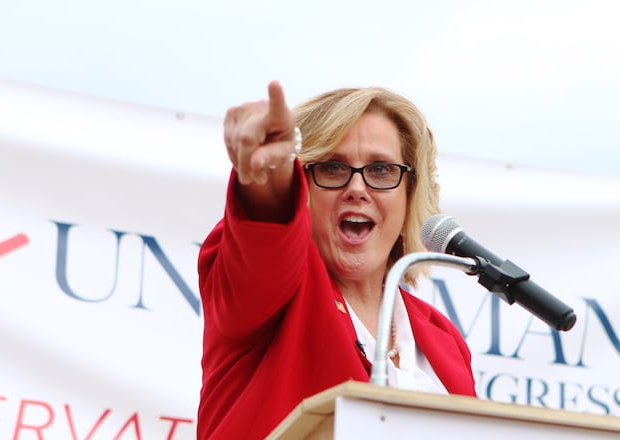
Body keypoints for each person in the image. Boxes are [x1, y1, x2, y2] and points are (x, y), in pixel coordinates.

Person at [197, 81, 476, 439]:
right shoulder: (274, 294)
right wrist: (269, 174)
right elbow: (264, 230)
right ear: (302, 185)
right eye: (331, 168)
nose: (357, 189)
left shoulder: (444, 339)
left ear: (409, 195)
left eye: (380, 170)